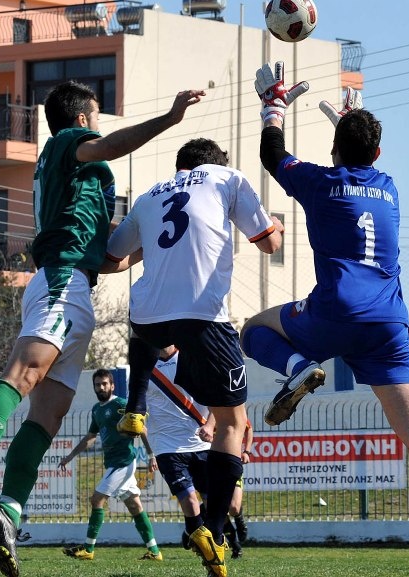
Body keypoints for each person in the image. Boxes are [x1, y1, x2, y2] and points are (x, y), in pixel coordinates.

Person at [239, 61, 409, 577]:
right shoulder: (390, 188)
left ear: (334, 150)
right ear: (378, 153)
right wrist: (352, 118)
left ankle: (296, 367)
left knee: (252, 328)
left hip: (334, 310)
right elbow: (361, 155)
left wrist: (273, 106)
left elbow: (273, 155)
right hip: (388, 322)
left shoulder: (320, 183)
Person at [0, 80, 204, 577]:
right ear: (81, 118)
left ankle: (8, 511)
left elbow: (107, 258)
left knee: (50, 413)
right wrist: (169, 120)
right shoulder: (65, 143)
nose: (99, 124)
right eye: (97, 115)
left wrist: (164, 246)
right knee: (25, 373)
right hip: (60, 281)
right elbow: (109, 146)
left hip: (77, 283)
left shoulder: (83, 177)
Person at [103, 137, 283, 577]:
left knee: (146, 322)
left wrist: (151, 246)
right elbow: (269, 245)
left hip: (148, 320)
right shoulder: (228, 179)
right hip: (204, 318)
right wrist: (274, 224)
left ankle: (135, 407)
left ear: (179, 167)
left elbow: (112, 260)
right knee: (230, 424)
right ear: (217, 164)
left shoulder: (150, 195)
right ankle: (214, 532)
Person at [58, 369, 162, 561]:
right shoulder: (96, 409)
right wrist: (69, 457)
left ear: (112, 386)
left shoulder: (121, 405)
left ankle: (88, 548)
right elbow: (90, 438)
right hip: (113, 463)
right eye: (98, 384)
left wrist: (150, 455)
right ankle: (154, 551)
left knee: (97, 499)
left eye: (105, 383)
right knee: (134, 506)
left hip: (123, 462)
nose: (101, 387)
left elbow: (142, 428)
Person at [143, 345, 214, 551]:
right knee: (190, 501)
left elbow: (217, 398)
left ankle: (192, 531)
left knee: (217, 505)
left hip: (202, 443)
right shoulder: (144, 367)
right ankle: (207, 553)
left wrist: (209, 426)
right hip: (167, 447)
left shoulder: (194, 359)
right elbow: (138, 407)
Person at [223, 420, 252, 559]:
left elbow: (248, 428)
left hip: (232, 462)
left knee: (233, 508)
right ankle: (235, 546)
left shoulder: (230, 407)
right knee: (219, 510)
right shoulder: (202, 410)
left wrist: (246, 451)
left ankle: (239, 517)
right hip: (210, 463)